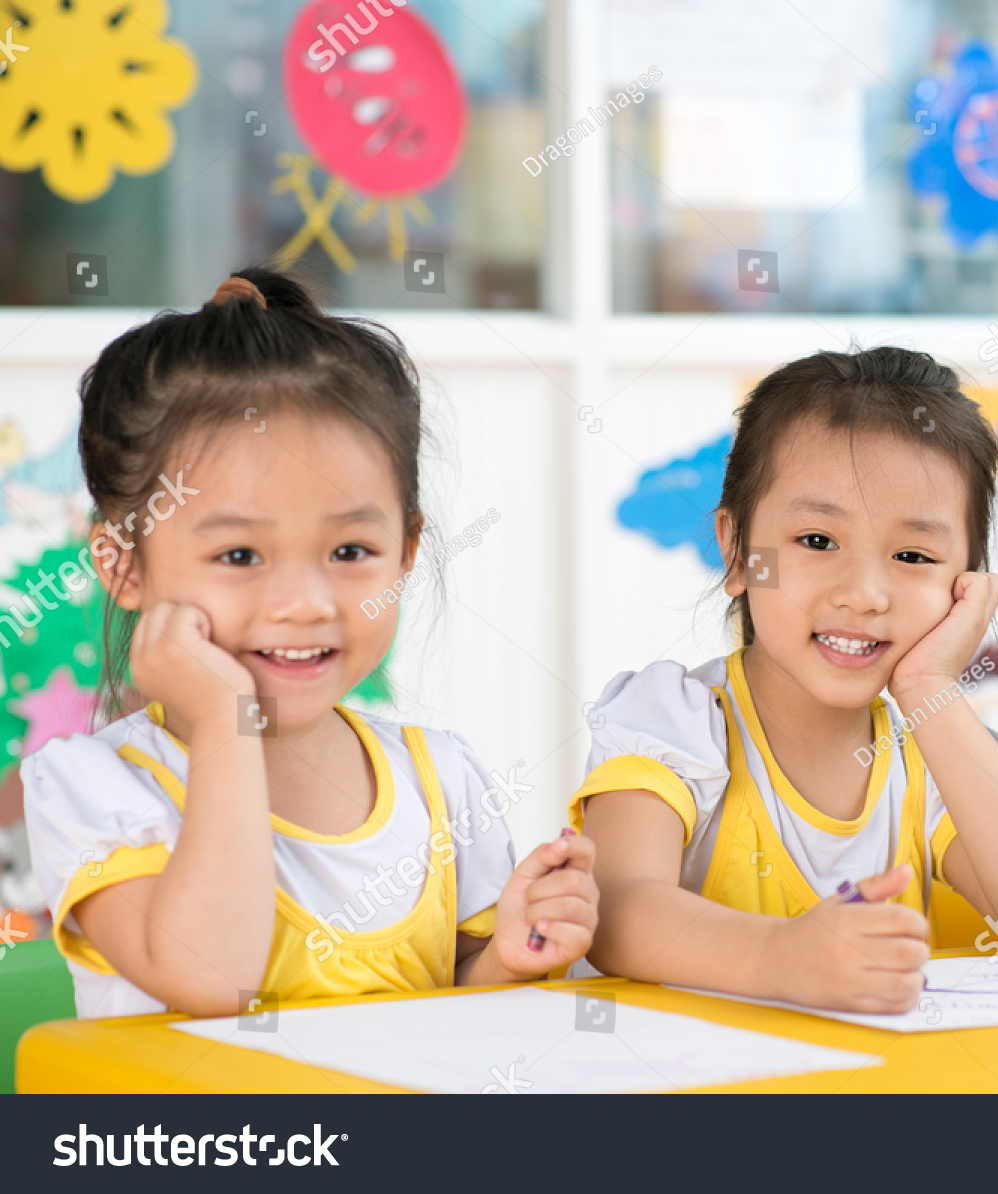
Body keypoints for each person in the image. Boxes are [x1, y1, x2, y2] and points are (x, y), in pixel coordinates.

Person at [23, 269, 597, 1018]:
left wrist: (508, 963)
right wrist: (225, 721)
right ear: (123, 565)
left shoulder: (442, 780)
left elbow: (452, 1022)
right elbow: (212, 980)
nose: (304, 603)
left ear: (406, 549)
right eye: (240, 556)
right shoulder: (93, 785)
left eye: (350, 551)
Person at [575, 347, 998, 1014]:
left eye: (913, 555)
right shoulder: (673, 722)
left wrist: (929, 688)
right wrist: (782, 957)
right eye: (818, 541)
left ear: (967, 586)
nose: (865, 593)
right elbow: (616, 911)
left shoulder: (939, 756)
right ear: (737, 551)